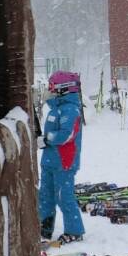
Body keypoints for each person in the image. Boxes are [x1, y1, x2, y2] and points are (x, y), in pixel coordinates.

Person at [39, 70, 85, 244]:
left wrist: (46, 139)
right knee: (46, 196)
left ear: (63, 88)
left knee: (63, 197)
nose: (50, 90)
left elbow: (67, 134)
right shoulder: (55, 109)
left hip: (64, 161)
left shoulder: (71, 110)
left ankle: (75, 230)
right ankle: (44, 228)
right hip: (49, 161)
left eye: (52, 86)